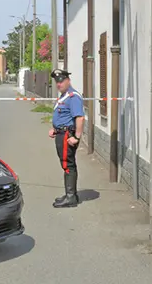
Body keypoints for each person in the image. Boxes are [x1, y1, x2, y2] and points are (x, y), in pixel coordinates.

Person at [49, 69, 85, 208]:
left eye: (61, 81)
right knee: (66, 164)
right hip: (61, 134)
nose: (59, 84)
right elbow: (64, 116)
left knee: (67, 165)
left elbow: (80, 117)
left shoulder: (73, 96)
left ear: (68, 80)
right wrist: (55, 129)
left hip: (67, 136)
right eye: (57, 82)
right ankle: (71, 194)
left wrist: (76, 137)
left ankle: (71, 197)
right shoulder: (64, 96)